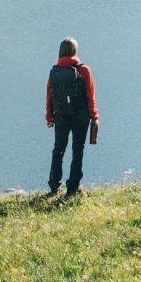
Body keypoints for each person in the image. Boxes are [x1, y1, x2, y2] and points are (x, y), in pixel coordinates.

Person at [45, 36, 99, 196]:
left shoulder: (54, 71)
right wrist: (94, 116)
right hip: (80, 117)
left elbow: (49, 95)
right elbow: (90, 95)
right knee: (77, 151)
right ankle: (72, 189)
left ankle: (54, 186)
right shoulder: (84, 70)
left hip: (61, 116)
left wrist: (49, 116)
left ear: (60, 52)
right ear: (75, 51)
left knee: (58, 150)